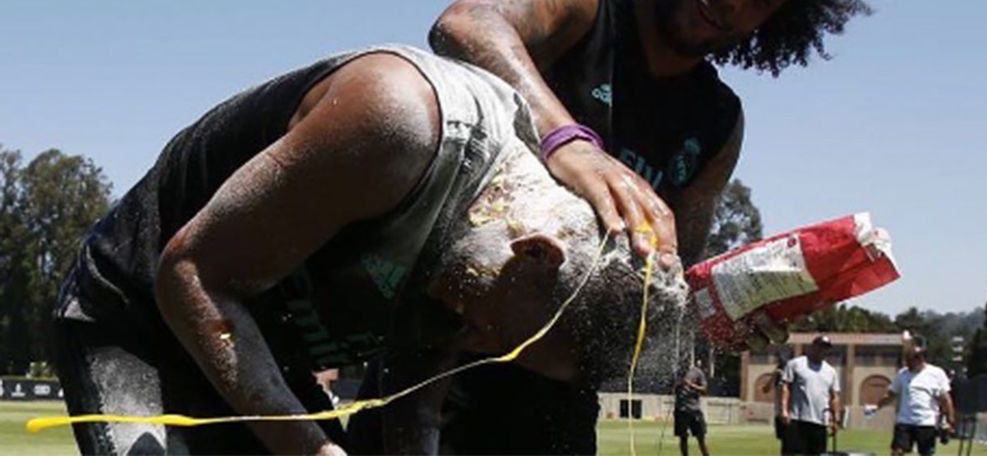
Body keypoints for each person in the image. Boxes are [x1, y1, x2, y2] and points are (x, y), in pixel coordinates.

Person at [426, 0, 906, 452]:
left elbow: (668, 289)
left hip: (561, 401)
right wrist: (569, 143)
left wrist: (728, 309)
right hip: (438, 368)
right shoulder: (585, 2)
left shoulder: (719, 123)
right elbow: (466, 23)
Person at [52, 44, 689, 455]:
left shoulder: (494, 280)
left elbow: (415, 401)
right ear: (535, 254)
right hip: (143, 314)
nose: (475, 343)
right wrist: (311, 448)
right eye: (502, 339)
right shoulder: (400, 123)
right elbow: (190, 274)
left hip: (270, 350)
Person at [876, 345, 956, 456]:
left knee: (926, 453)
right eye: (906, 360)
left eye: (910, 360)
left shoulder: (936, 373)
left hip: (926, 422)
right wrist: (877, 406)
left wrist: (950, 420)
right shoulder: (902, 374)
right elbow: (891, 394)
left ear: (920, 359)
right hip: (905, 421)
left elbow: (945, 398)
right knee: (897, 452)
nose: (907, 363)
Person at [780, 335, 840, 456]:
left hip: (820, 421)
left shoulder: (831, 371)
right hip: (797, 419)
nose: (822, 351)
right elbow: (786, 387)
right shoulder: (796, 364)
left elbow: (835, 396)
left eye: (825, 348)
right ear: (812, 347)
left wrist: (835, 419)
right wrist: (784, 410)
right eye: (820, 347)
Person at [674, 359, 710, 456]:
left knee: (701, 438)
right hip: (681, 410)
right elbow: (674, 389)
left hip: (694, 410)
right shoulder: (678, 373)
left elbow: (704, 390)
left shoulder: (697, 372)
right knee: (683, 437)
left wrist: (690, 385)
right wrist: (678, 385)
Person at [762, 351, 791, 454]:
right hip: (779, 413)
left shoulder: (792, 376)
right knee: (785, 442)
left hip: (792, 414)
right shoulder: (777, 376)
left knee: (791, 443)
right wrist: (773, 376)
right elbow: (765, 390)